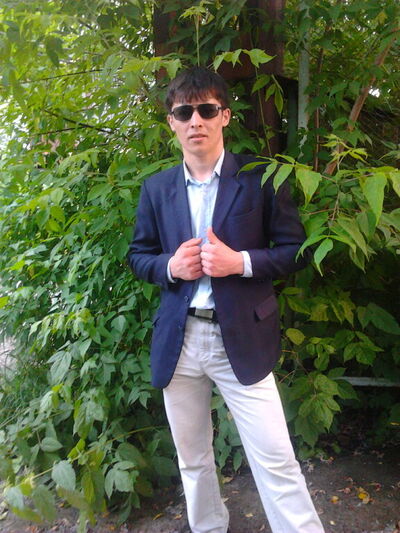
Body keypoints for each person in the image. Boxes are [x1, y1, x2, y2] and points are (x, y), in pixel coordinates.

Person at [127, 66, 324, 533]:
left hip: (241, 337)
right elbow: (138, 256)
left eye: (206, 110)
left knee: (276, 458)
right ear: (171, 122)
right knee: (192, 459)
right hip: (180, 341)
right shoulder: (157, 189)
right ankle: (208, 527)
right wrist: (170, 267)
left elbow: (295, 250)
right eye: (184, 112)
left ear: (225, 116)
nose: (195, 120)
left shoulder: (261, 178)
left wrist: (241, 262)